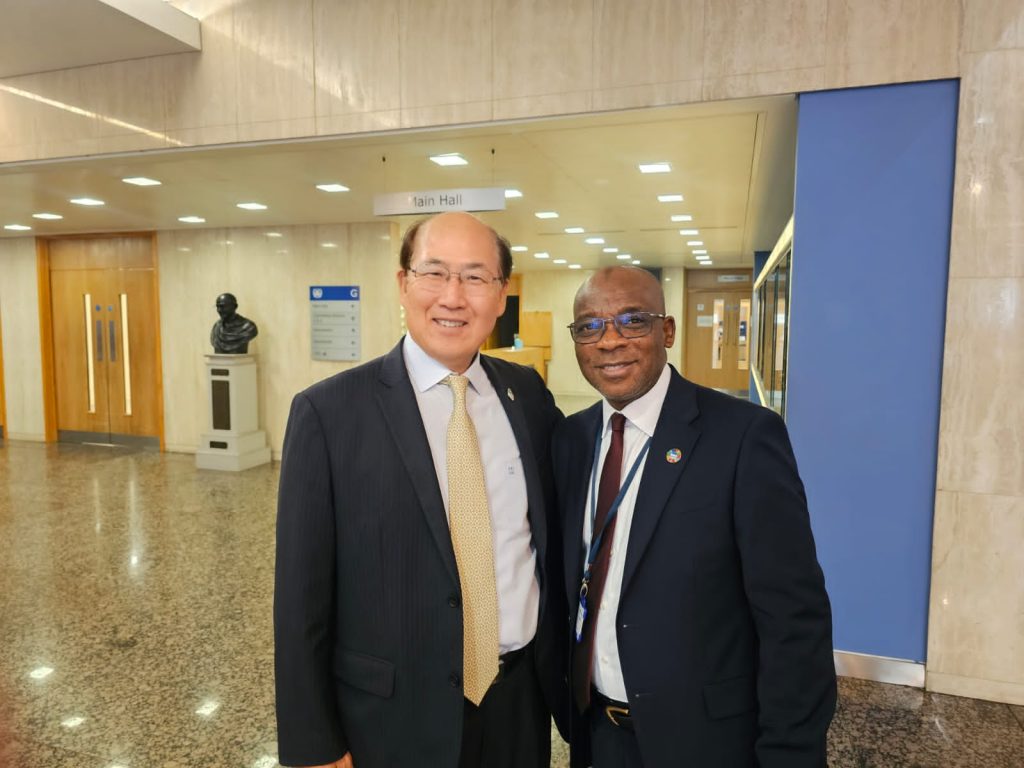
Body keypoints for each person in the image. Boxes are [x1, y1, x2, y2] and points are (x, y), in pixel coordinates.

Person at [274, 212, 566, 768]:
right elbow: (300, 597)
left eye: (476, 277)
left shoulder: (526, 396)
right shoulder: (328, 413)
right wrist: (313, 741)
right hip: (391, 716)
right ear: (403, 283)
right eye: (434, 273)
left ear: (502, 295)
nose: (453, 297)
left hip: (518, 704)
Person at [554, 266, 835, 768]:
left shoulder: (744, 437)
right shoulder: (571, 440)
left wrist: (790, 753)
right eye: (589, 326)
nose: (609, 341)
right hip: (594, 734)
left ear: (667, 331)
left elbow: (794, 620)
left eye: (631, 321)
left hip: (706, 741)